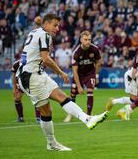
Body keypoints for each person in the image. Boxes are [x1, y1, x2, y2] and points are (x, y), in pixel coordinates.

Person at [17, 14, 109, 151]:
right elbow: (46, 58)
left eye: (58, 25)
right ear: (47, 24)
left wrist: (38, 22)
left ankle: (87, 119)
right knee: (46, 110)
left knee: (60, 98)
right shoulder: (45, 35)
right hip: (31, 77)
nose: (57, 28)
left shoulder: (35, 31)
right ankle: (52, 143)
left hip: (36, 74)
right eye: (55, 25)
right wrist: (61, 72)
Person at [64, 30, 102, 122]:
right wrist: (79, 86)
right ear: (81, 40)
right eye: (85, 39)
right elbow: (75, 72)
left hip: (90, 73)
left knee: (90, 91)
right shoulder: (76, 53)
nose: (88, 41)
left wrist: (96, 76)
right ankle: (71, 114)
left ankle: (88, 115)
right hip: (79, 75)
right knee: (73, 93)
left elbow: (98, 63)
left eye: (89, 39)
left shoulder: (95, 49)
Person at [12, 58, 41, 123]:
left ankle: (38, 118)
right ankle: (20, 117)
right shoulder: (16, 64)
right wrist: (14, 88)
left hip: (31, 83)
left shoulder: (33, 62)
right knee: (17, 98)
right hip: (21, 84)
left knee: (36, 99)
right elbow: (13, 76)